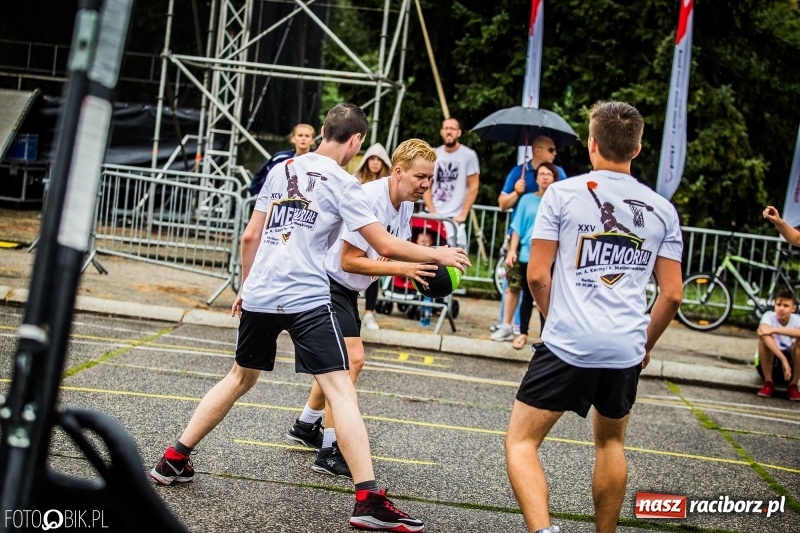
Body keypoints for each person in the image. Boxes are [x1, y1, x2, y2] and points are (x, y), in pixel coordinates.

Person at [150, 103, 469, 532]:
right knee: (341, 386)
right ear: (356, 142)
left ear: (322, 131)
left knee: (239, 378)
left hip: (262, 289)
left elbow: (251, 234)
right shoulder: (345, 183)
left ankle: (173, 459)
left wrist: (246, 288)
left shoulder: (282, 169)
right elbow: (383, 245)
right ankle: (368, 499)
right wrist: (436, 253)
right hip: (305, 293)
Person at [504, 101, 684, 533]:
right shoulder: (662, 209)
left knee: (521, 442)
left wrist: (554, 321)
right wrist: (644, 345)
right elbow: (673, 295)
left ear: (592, 144)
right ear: (637, 149)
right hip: (624, 345)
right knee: (610, 443)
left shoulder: (562, 194)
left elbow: (536, 277)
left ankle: (544, 531)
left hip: (568, 341)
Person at [286, 138, 439, 478]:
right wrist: (403, 268)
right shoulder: (369, 198)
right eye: (420, 177)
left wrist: (422, 264)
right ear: (397, 172)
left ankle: (305, 425)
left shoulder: (407, 203)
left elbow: (394, 249)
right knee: (351, 361)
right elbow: (350, 260)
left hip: (346, 290)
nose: (426, 185)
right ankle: (329, 450)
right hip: (328, 283)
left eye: (430, 178)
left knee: (335, 365)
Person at [492, 135, 566, 336]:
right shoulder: (519, 172)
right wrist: (516, 192)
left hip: (548, 244)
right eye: (551, 150)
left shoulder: (559, 174)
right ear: (537, 151)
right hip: (522, 239)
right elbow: (502, 204)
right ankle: (506, 325)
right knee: (514, 284)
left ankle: (540, 332)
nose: (555, 153)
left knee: (543, 287)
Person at [353, 143, 393, 331]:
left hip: (379, 234)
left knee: (373, 274)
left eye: (379, 159)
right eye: (372, 159)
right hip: (357, 232)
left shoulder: (391, 185)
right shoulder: (356, 181)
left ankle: (369, 312)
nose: (375, 163)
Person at [423, 117, 480, 248]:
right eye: (446, 128)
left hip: (455, 218)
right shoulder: (433, 154)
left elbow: (474, 186)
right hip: (433, 214)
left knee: (455, 259)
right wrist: (432, 212)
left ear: (459, 132)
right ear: (441, 131)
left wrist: (463, 214)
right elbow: (427, 184)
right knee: (427, 256)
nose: (449, 132)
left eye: (452, 128)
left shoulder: (469, 155)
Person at [755, 287, 800, 400]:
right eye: (778, 305)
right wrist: (783, 359)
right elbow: (762, 331)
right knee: (763, 340)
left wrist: (774, 330)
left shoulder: (797, 319)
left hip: (791, 368)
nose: (781, 309)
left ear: (793, 308)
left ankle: (793, 385)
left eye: (785, 306)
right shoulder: (768, 316)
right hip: (772, 364)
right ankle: (768, 382)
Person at [247, 123, 315, 196]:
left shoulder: (317, 160)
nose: (303, 138)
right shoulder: (280, 157)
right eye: (300, 135)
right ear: (293, 138)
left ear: (312, 140)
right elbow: (265, 176)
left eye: (307, 136)